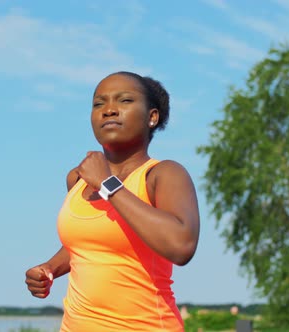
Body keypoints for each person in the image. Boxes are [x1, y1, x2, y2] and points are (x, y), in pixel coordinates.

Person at [25, 71, 200, 331]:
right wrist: (50, 268)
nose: (109, 110)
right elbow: (87, 244)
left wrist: (108, 185)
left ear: (152, 117)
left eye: (125, 101)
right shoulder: (78, 179)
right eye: (99, 103)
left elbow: (181, 245)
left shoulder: (162, 174)